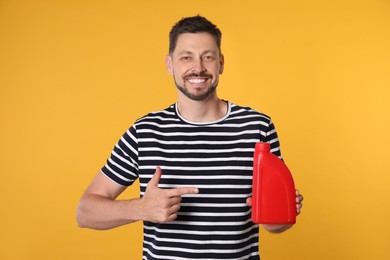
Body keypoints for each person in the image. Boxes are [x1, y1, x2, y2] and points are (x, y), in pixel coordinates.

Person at [76, 15, 304, 259]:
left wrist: (282, 212)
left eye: (208, 56)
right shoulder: (145, 131)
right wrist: (140, 208)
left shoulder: (257, 127)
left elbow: (275, 225)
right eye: (186, 57)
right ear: (170, 65)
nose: (198, 68)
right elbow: (85, 212)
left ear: (221, 63)